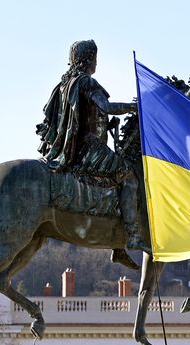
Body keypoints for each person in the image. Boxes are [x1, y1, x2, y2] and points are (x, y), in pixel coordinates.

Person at [36, 40, 148, 253]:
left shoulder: (64, 85)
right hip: (89, 149)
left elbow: (88, 115)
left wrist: (105, 124)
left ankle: (118, 247)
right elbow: (105, 106)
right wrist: (134, 107)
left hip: (73, 149)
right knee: (128, 176)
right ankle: (132, 237)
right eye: (95, 58)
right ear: (88, 59)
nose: (96, 63)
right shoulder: (86, 82)